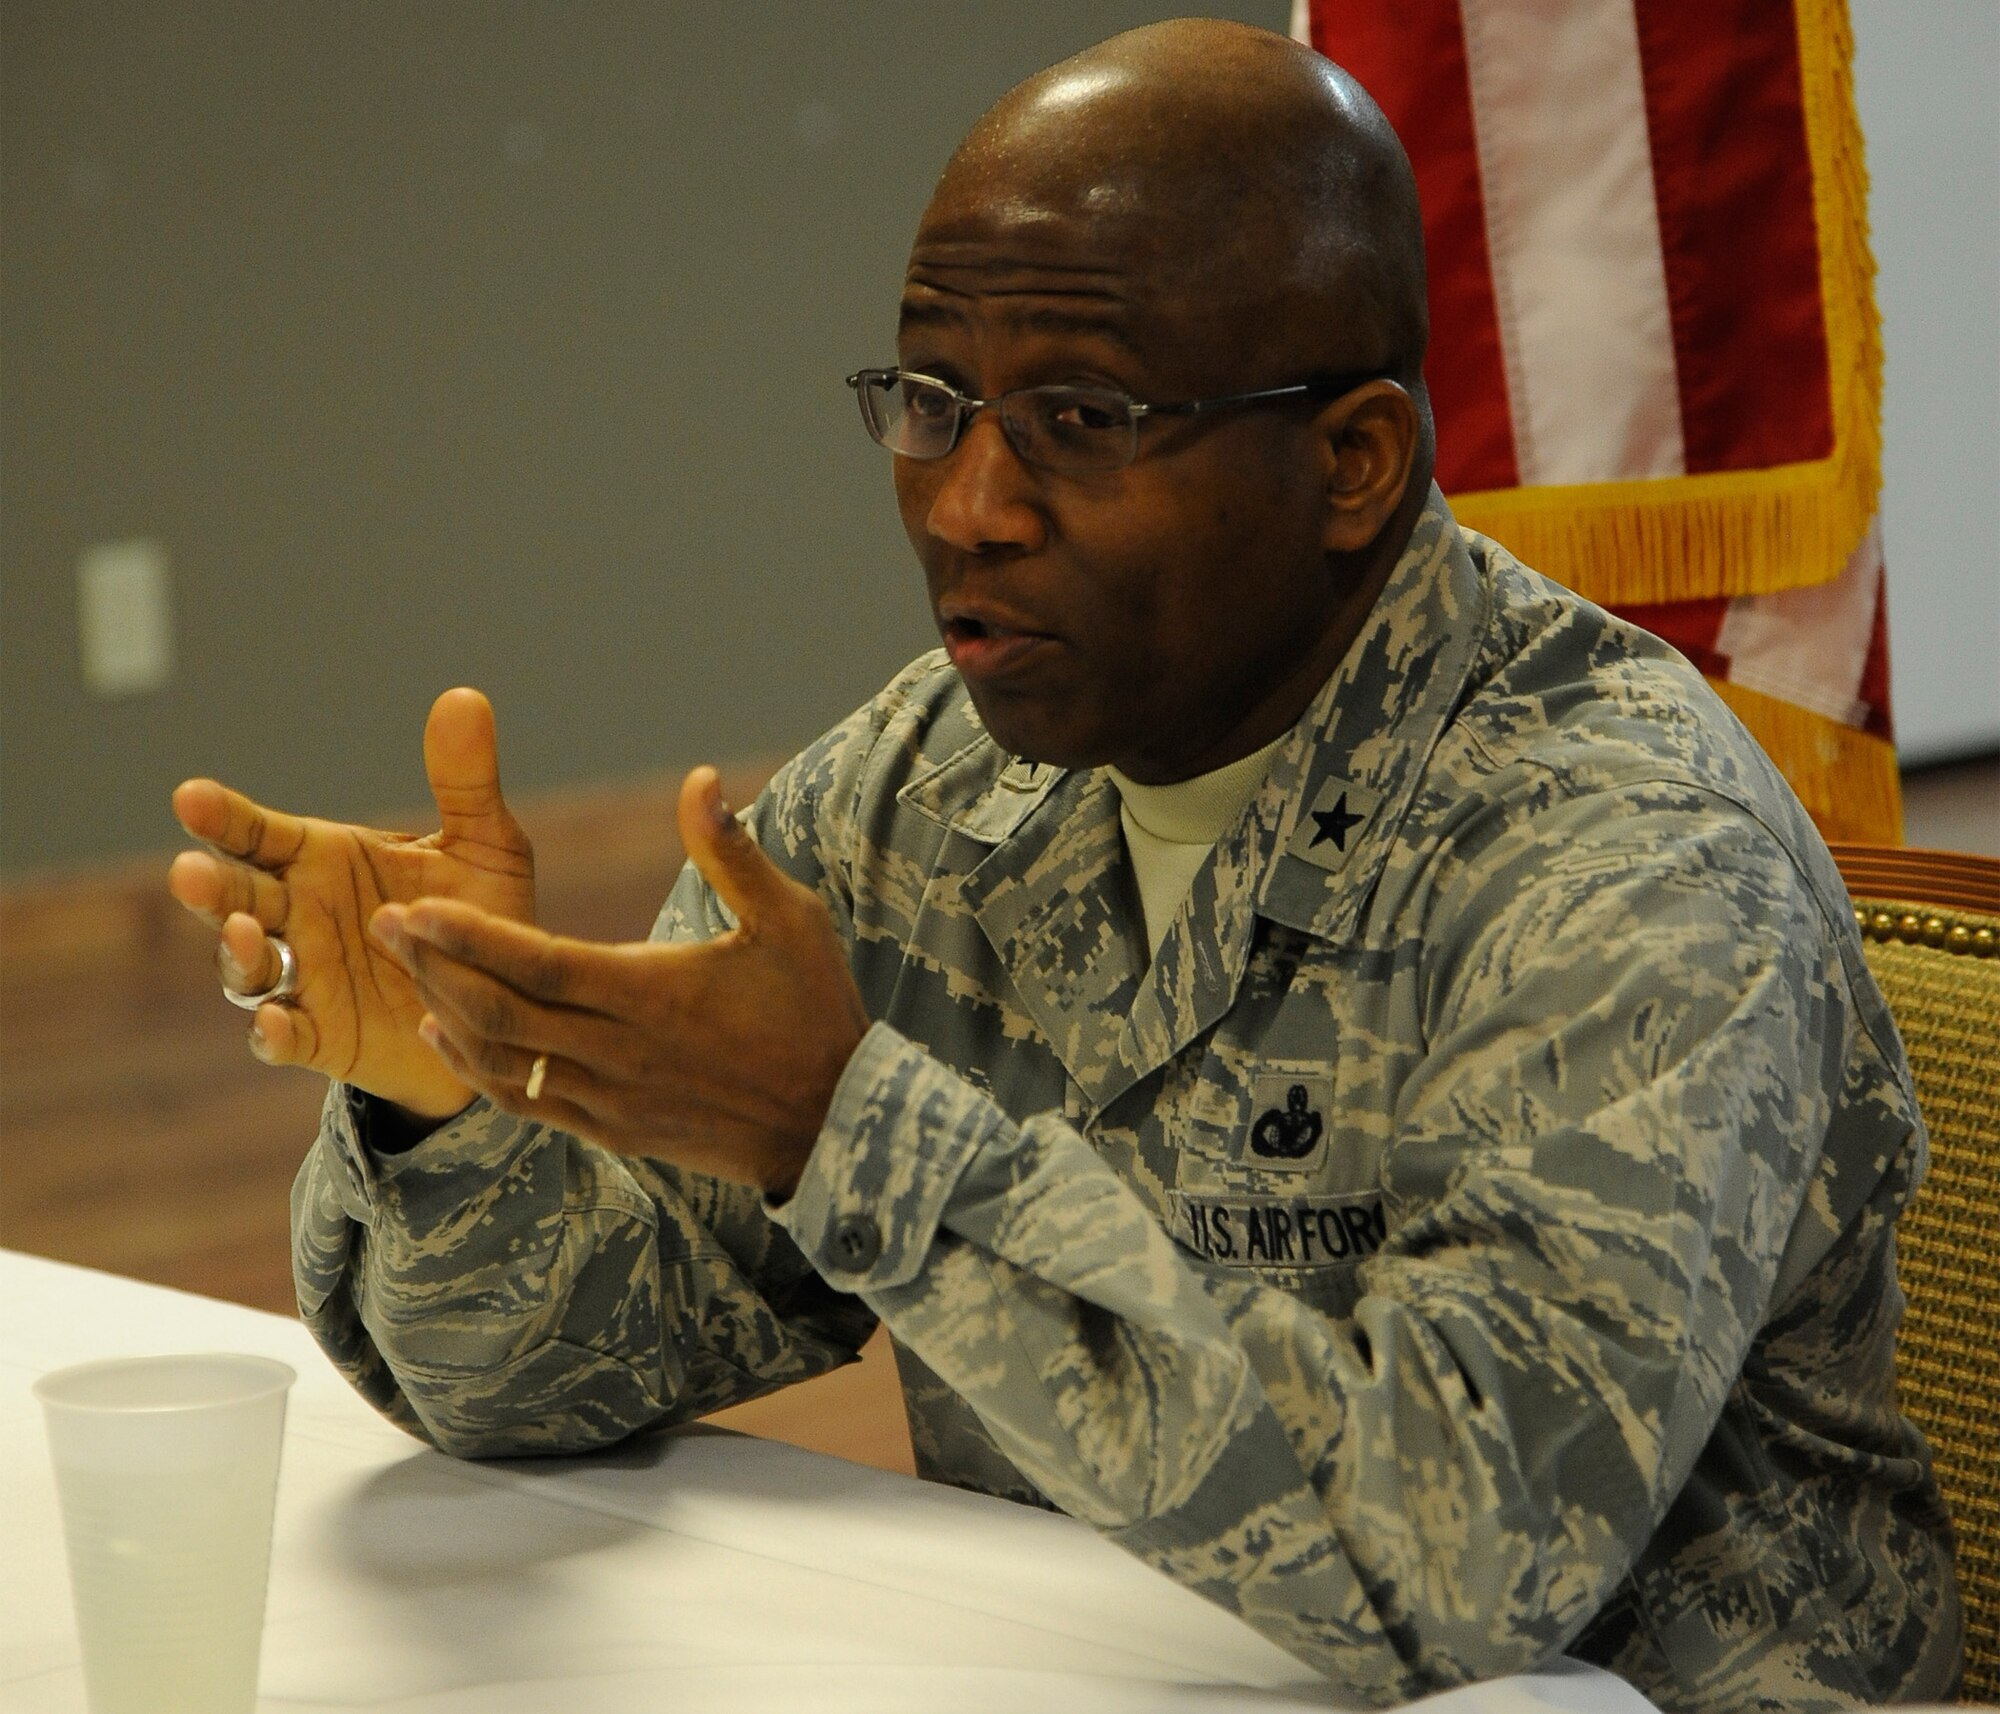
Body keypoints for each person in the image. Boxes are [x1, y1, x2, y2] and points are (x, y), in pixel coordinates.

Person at [168, 19, 1961, 1711]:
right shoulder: (921, 790)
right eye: (933, 400)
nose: (968, 503)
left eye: (1082, 420)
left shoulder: (1626, 849)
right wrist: (448, 1099)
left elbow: (1462, 1555)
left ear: (1353, 461)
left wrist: (844, 1131)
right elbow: (535, 1369)